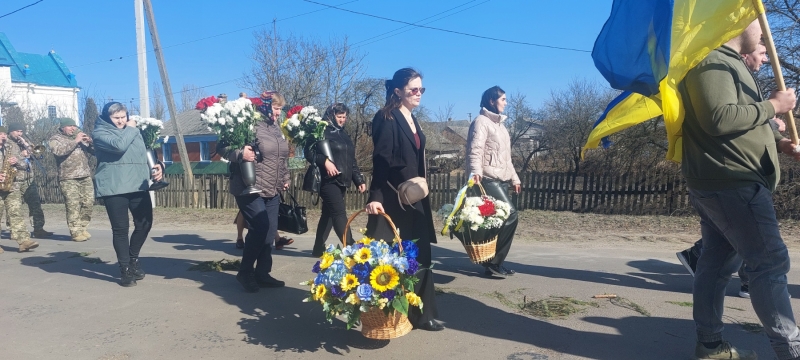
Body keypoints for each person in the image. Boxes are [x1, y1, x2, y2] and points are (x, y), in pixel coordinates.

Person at [680, 20, 799, 360]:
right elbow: (718, 118)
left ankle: (711, 346)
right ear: (739, 20)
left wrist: (780, 143)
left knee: (716, 264)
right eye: (759, 27)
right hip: (732, 181)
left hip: (728, 182)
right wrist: (775, 106)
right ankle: (791, 350)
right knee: (770, 263)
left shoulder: (729, 63)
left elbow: (742, 121)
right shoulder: (711, 61)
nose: (764, 34)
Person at [365, 68, 443, 331]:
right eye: (413, 89)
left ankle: (422, 313)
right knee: (396, 256)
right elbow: (381, 161)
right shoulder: (386, 118)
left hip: (415, 196)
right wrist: (375, 197)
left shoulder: (414, 119)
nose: (419, 94)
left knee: (421, 253)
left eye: (422, 89)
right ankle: (392, 315)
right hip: (394, 197)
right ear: (398, 91)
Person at [221, 92, 288, 293]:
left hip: (272, 187)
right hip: (248, 186)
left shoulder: (275, 128)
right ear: (266, 106)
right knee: (260, 227)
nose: (278, 114)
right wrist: (241, 153)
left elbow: (281, 158)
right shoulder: (248, 123)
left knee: (268, 232)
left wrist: (285, 178)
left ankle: (262, 273)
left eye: (280, 110)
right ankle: (245, 272)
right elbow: (223, 147)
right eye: (276, 109)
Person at [93, 102, 164, 287]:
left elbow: (145, 152)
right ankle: (124, 269)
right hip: (114, 187)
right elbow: (119, 146)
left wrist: (158, 166)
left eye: (123, 117)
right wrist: (132, 128)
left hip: (138, 184)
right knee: (120, 229)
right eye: (116, 118)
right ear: (107, 118)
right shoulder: (100, 133)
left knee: (145, 224)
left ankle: (133, 259)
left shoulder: (132, 130)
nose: (121, 121)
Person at [465, 86, 521, 277]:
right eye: (503, 99)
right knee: (511, 214)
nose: (506, 102)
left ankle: (491, 261)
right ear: (491, 101)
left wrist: (515, 178)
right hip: (488, 178)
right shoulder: (481, 122)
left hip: (502, 178)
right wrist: (475, 172)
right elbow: (475, 149)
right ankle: (495, 263)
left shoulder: (501, 127)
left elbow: (506, 159)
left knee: (496, 221)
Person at [306, 103, 366, 257]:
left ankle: (318, 248)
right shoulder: (320, 130)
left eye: (344, 117)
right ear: (331, 116)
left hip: (343, 180)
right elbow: (309, 153)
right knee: (339, 213)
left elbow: (351, 161)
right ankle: (351, 248)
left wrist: (359, 179)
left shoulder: (344, 135)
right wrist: (325, 161)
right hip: (327, 181)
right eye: (339, 117)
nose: (342, 120)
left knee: (328, 214)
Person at [49, 118, 95, 242]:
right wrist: (76, 141)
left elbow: (95, 152)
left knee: (88, 203)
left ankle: (82, 227)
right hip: (68, 177)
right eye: (70, 126)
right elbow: (59, 152)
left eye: (74, 126)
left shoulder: (80, 138)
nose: (73, 128)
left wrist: (90, 142)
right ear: (63, 127)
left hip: (85, 175)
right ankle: (75, 232)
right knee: (73, 204)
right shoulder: (55, 139)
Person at [7, 122, 52, 239]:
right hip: (14, 179)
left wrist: (27, 145)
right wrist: (22, 154)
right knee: (14, 207)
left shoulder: (24, 143)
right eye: (17, 131)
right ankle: (14, 230)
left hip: (28, 178)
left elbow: (38, 155)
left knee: (35, 204)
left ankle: (38, 228)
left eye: (21, 131)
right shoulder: (7, 143)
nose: (19, 134)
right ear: (10, 132)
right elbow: (10, 159)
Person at [0, 126, 38, 254]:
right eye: (0, 134)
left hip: (11, 186)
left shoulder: (9, 148)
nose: (4, 136)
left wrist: (17, 161)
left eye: (4, 134)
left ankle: (24, 241)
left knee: (16, 213)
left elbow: (24, 164)